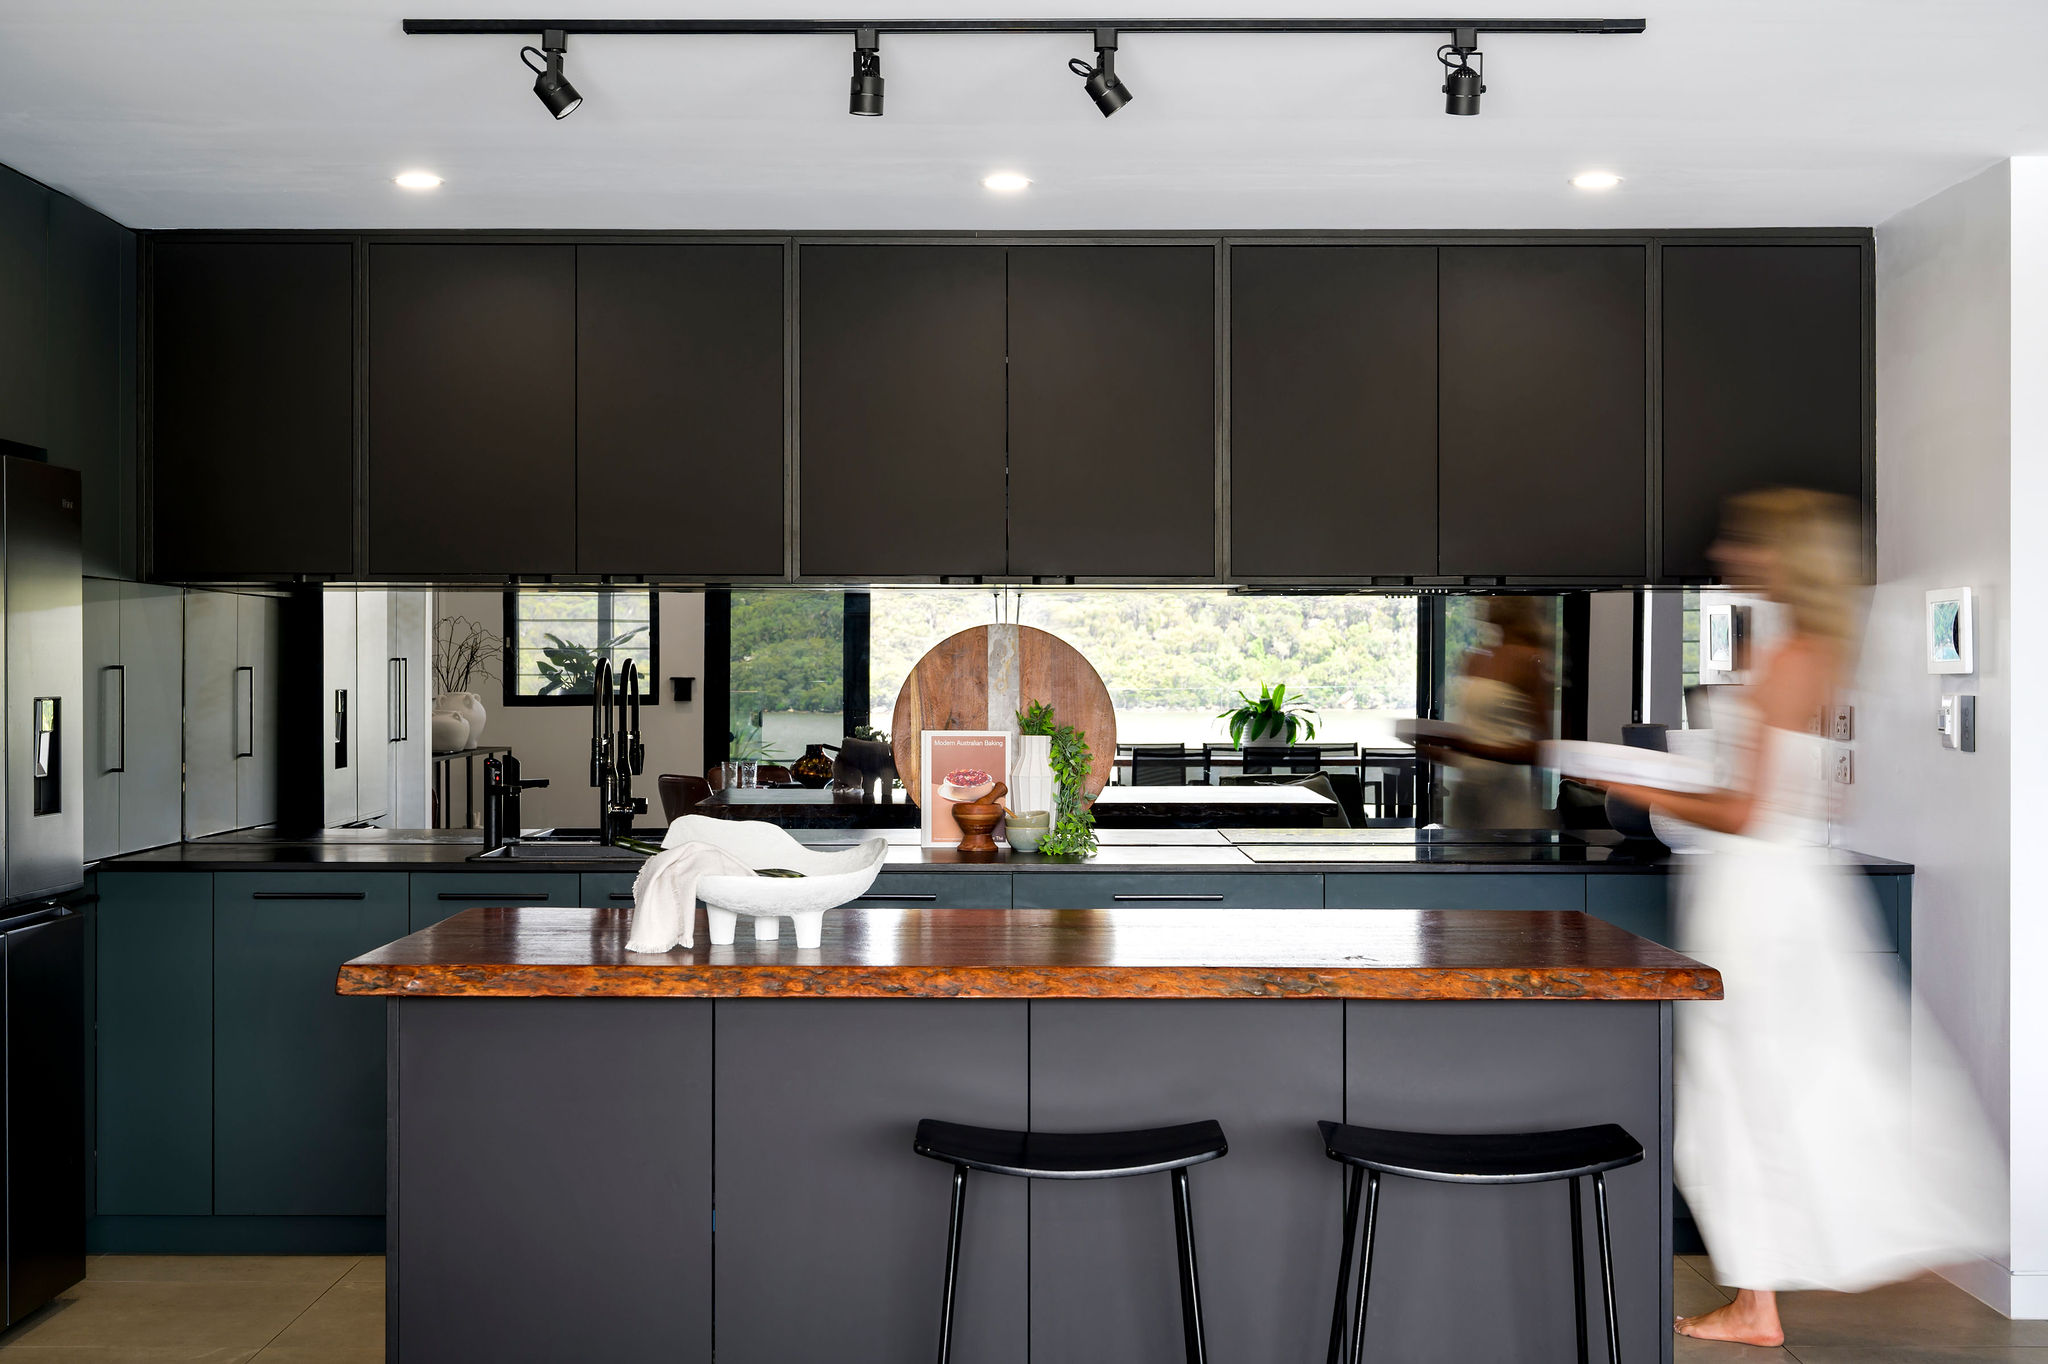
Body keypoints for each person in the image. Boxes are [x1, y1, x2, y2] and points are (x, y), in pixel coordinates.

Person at [1595, 488, 1997, 1346]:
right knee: (1771, 1086)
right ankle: (1762, 1301)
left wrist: (1636, 783)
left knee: (1744, 1094)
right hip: (1778, 895)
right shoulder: (1818, 652)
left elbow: (1744, 811)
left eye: (1748, 542)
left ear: (1786, 556)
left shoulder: (1790, 660)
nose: (1731, 554)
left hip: (1757, 904)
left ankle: (1770, 1297)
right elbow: (1810, 793)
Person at [1420, 595, 1555, 829]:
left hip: (1504, 797)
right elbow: (1471, 733)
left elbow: (1541, 749)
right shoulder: (1475, 658)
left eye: (1496, 598)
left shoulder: (1529, 661)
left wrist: (1471, 748)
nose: (1487, 602)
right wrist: (1435, 747)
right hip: (1466, 793)